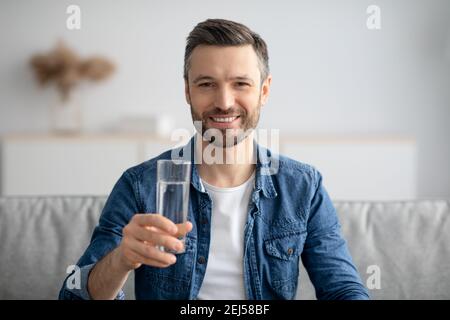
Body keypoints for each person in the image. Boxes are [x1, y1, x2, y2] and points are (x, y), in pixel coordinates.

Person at [59, 18, 369, 300]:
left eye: (240, 84)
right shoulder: (141, 184)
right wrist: (122, 259)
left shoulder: (304, 186)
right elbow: (72, 297)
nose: (223, 102)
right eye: (206, 84)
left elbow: (342, 288)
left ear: (264, 91)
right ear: (187, 92)